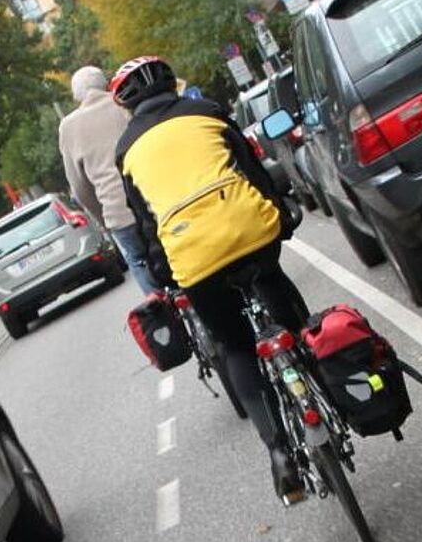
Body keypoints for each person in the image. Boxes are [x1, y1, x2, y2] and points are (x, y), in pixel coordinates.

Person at [110, 54, 310, 504]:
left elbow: (145, 222)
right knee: (276, 289)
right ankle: (319, 383)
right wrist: (281, 211)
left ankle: (280, 455)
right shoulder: (207, 112)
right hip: (249, 227)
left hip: (192, 256)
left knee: (236, 346)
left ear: (126, 105)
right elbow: (253, 171)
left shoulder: (127, 150)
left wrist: (160, 271)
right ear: (171, 84)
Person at [58, 65, 157, 295]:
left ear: (76, 96)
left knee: (139, 262)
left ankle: (161, 315)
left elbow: (80, 188)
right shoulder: (124, 104)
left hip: (118, 214)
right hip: (154, 199)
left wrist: (105, 219)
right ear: (106, 85)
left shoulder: (68, 128)